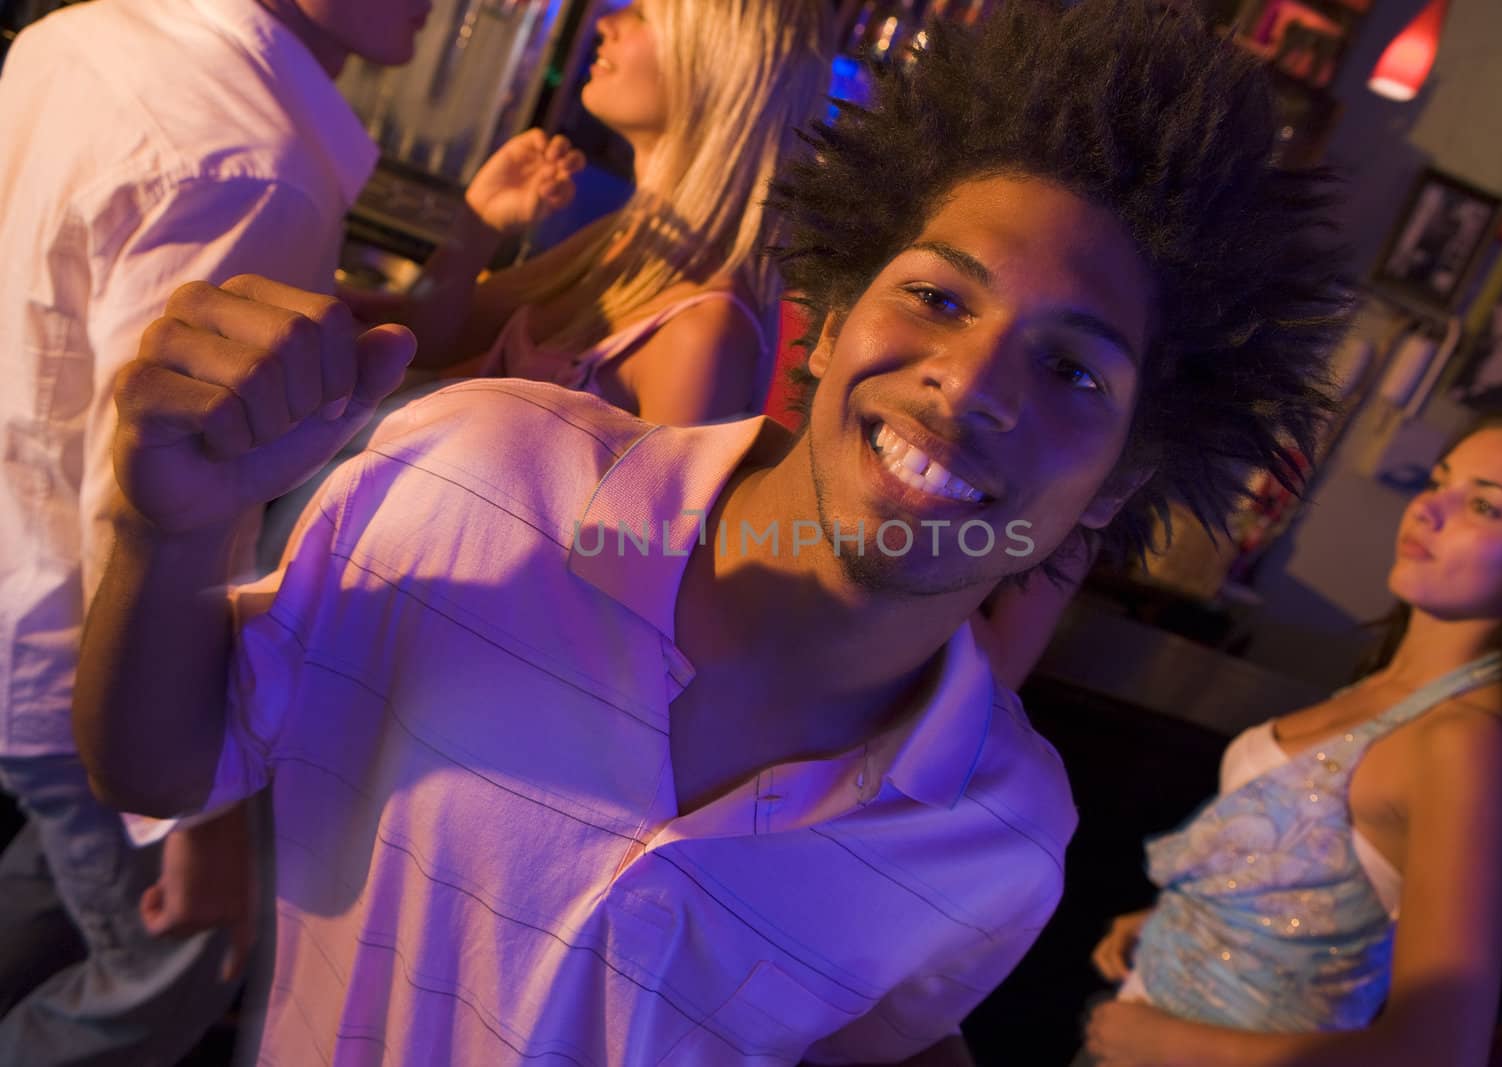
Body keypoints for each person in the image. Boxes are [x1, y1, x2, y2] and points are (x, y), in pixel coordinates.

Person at [72, 1, 1348, 1062]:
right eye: (937, 295)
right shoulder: (484, 471)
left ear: (1123, 478)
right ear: (837, 306)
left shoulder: (998, 833)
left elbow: (858, 1032)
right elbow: (164, 766)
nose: (969, 383)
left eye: (1076, 371)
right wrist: (160, 528)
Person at [0, 0, 426, 1062]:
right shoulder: (253, 158)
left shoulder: (84, 32)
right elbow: (153, 496)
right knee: (166, 983)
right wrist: (198, 814)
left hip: (22, 582)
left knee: (46, 904)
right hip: (82, 656)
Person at [1081, 415, 1502, 1067]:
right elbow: (1313, 879)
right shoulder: (1391, 685)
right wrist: (1195, 924)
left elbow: (1439, 1049)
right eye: (1440, 482)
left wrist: (1168, 1041)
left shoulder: (1467, 742)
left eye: (1483, 505)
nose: (1429, 509)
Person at [350, 0, 831, 426]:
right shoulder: (619, 241)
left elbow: (652, 529)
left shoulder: (705, 333)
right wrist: (479, 226)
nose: (606, 20)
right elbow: (426, 342)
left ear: (719, 68)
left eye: (642, 12)